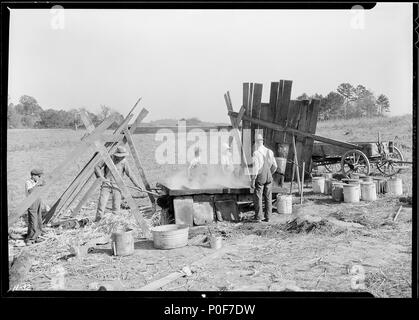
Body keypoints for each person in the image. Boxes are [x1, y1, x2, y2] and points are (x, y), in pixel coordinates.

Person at [94, 146, 142, 222]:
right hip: (106, 185)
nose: (122, 158)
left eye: (123, 156)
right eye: (121, 156)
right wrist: (101, 177)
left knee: (116, 207)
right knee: (101, 204)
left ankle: (114, 222)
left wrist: (137, 185)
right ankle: (97, 221)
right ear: (116, 155)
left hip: (117, 186)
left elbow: (131, 174)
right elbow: (97, 167)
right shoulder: (108, 159)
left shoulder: (124, 162)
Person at [251, 134, 278, 222]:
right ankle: (268, 217)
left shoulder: (256, 153)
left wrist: (252, 180)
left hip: (260, 177)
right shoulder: (269, 151)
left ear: (256, 142)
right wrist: (270, 173)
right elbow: (275, 166)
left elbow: (255, 168)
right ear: (262, 141)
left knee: (258, 196)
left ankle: (258, 217)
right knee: (268, 197)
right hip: (269, 176)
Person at [24, 168, 48, 244]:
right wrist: (38, 185)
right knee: (33, 220)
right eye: (39, 176)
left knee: (38, 219)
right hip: (31, 202)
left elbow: (39, 191)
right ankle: (30, 238)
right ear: (33, 176)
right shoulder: (28, 182)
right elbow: (30, 191)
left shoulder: (36, 181)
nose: (39, 177)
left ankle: (36, 236)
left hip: (38, 201)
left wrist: (41, 185)